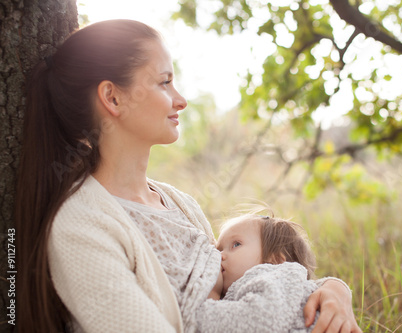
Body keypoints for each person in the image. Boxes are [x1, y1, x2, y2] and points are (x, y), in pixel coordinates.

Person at [15, 19, 361, 333]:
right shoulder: (80, 226)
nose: (180, 100)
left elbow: (244, 288)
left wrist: (332, 289)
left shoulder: (179, 203)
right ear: (113, 97)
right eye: (165, 82)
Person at [194, 213, 354, 333]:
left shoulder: (274, 275)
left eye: (236, 244)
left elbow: (259, 321)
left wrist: (209, 299)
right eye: (218, 249)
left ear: (275, 260)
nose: (219, 255)